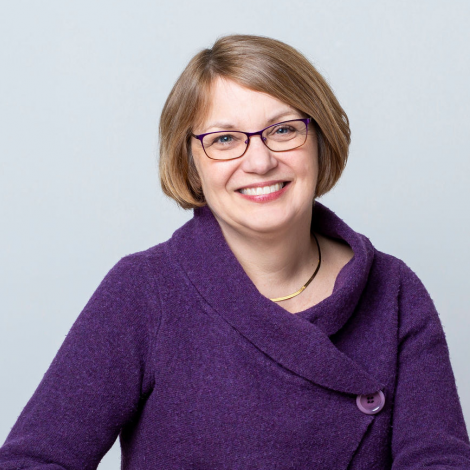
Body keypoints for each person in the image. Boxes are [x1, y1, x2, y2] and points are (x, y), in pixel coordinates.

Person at [0, 34, 469, 470]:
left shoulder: (394, 290)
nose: (260, 161)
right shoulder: (143, 290)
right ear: (190, 162)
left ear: (321, 140)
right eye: (224, 139)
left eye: (284, 130)